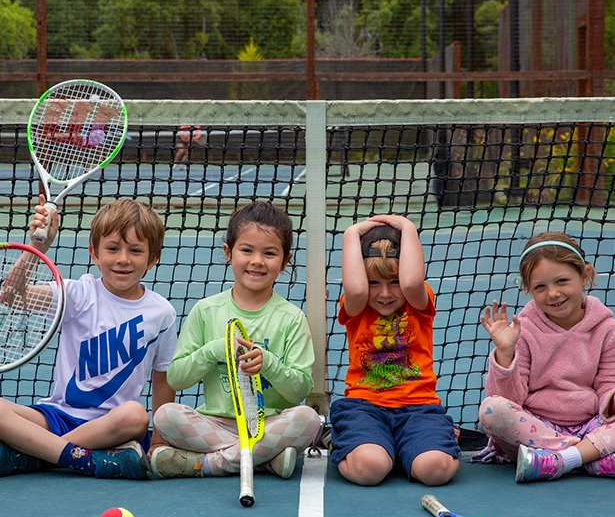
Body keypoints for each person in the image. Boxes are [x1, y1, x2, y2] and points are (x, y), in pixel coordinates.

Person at [0, 196, 177, 479]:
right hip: (55, 417)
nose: (122, 259)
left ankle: (35, 453)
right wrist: (37, 248)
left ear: (153, 259)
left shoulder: (162, 312)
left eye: (135, 250)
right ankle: (80, 459)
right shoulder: (77, 294)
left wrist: (159, 441)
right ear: (94, 253)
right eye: (112, 248)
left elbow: (163, 377)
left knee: (136, 415)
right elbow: (11, 296)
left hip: (112, 427)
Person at [151, 201, 321, 480]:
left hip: (269, 425)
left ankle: (208, 464)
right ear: (228, 252)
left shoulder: (292, 318)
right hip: (213, 424)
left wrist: (269, 364)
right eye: (247, 250)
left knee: (308, 419)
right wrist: (214, 350)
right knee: (165, 416)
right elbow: (177, 378)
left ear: (285, 260)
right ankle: (264, 460)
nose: (257, 261)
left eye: (269, 253)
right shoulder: (206, 311)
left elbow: (299, 390)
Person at [329, 214, 460, 486]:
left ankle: (413, 445)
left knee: (435, 470)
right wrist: (351, 233)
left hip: (419, 409)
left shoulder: (418, 303)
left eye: (394, 282)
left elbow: (412, 283)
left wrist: (408, 227)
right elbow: (355, 288)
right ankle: (348, 439)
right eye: (374, 283)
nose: (385, 293)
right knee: (369, 469)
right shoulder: (357, 305)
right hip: (364, 408)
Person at [477, 231, 615, 482]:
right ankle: (587, 457)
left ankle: (558, 461)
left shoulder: (606, 327)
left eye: (562, 281)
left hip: (591, 424)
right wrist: (506, 353)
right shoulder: (524, 330)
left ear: (585, 275)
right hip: (537, 427)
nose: (552, 294)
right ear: (528, 289)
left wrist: (612, 399)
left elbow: (607, 382)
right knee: (491, 409)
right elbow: (509, 399)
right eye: (540, 287)